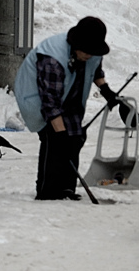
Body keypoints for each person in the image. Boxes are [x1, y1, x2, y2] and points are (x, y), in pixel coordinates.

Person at [13, 16, 122, 200]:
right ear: (76, 44)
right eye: (86, 51)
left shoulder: (91, 52)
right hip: (38, 99)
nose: (89, 55)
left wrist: (106, 90)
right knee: (54, 141)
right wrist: (60, 133)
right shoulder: (53, 60)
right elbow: (50, 103)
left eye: (92, 51)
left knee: (75, 138)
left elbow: (95, 70)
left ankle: (66, 188)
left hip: (70, 95)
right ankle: (47, 191)